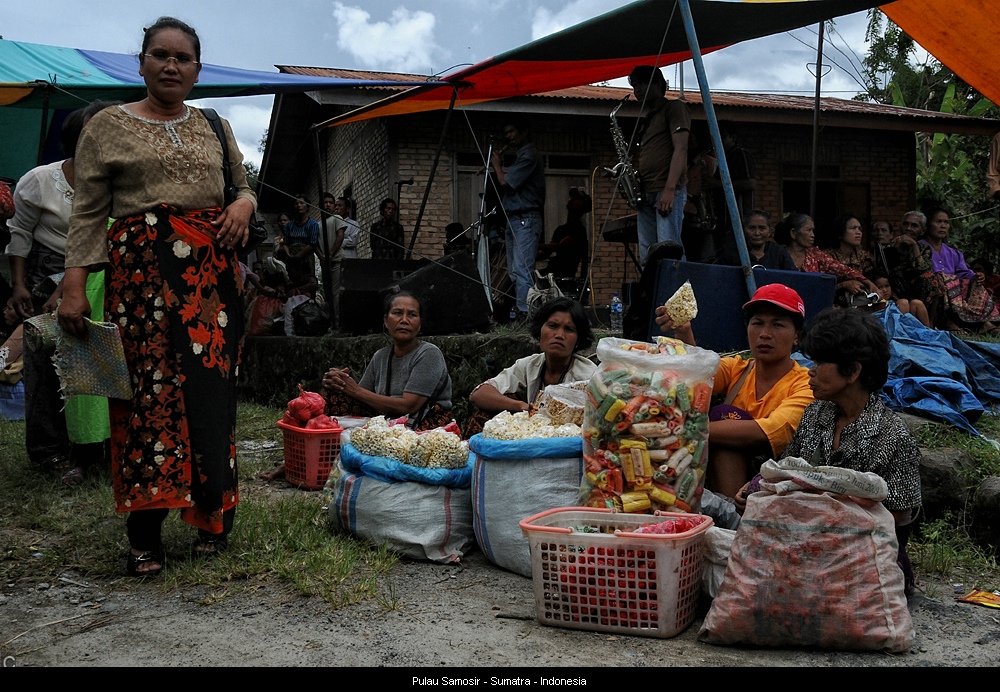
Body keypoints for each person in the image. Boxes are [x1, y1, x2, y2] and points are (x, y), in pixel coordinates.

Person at [58, 17, 257, 576]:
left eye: (183, 58)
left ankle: (212, 518)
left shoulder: (215, 124)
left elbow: (241, 187)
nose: (172, 66)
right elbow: (89, 212)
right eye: (160, 55)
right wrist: (74, 284)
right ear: (141, 62)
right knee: (147, 398)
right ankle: (146, 531)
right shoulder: (106, 127)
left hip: (210, 283)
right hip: (140, 282)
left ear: (197, 68)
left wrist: (243, 205)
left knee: (212, 397)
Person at [754, 308, 922, 593]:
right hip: (804, 537)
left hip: (862, 551)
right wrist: (756, 487)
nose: (811, 370)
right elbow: (787, 470)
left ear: (853, 371)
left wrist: (830, 521)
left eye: (821, 362)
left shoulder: (892, 435)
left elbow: (899, 516)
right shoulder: (815, 415)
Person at [7, 101, 113, 483]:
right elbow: (19, 234)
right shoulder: (40, 180)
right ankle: (49, 450)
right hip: (46, 267)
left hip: (101, 271)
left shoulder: (116, 179)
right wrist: (19, 286)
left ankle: (95, 446)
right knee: (45, 358)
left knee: (94, 358)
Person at [656, 283, 814, 499]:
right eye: (757, 323)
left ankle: (732, 517)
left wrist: (684, 430)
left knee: (725, 440)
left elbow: (768, 431)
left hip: (772, 487)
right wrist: (683, 331)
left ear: (797, 336)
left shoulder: (805, 384)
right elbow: (697, 370)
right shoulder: (738, 369)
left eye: (778, 325)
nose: (765, 334)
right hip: (719, 474)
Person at [468, 297, 595, 434]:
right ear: (540, 331)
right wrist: (519, 406)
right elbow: (479, 394)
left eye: (569, 329)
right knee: (484, 415)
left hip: (572, 442)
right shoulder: (530, 365)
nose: (559, 335)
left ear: (578, 340)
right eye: (552, 326)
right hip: (536, 437)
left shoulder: (589, 376)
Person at [628, 65, 690, 264]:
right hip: (646, 194)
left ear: (657, 84)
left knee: (668, 253)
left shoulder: (674, 108)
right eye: (634, 85)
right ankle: (654, 295)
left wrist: (669, 189)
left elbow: (681, 149)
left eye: (641, 84)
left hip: (666, 191)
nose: (637, 90)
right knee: (648, 256)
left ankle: (678, 294)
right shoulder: (648, 118)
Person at [490, 119, 545, 318]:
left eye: (512, 131)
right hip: (515, 220)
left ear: (524, 132)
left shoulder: (529, 155)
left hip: (525, 219)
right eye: (506, 132)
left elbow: (505, 182)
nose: (508, 137)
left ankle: (526, 314)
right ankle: (521, 311)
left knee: (523, 270)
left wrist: (496, 165)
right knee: (514, 271)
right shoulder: (520, 156)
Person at [920, 207, 1000, 334]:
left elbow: (964, 272)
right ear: (928, 225)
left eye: (946, 222)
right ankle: (948, 322)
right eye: (938, 222)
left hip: (954, 291)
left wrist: (976, 276)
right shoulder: (920, 247)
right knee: (942, 280)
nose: (943, 226)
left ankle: (984, 323)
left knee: (975, 283)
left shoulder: (953, 253)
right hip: (930, 289)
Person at [776, 213, 877, 297]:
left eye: (813, 230)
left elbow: (843, 270)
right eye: (808, 230)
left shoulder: (815, 255)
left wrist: (867, 282)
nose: (812, 235)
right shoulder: (778, 254)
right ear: (793, 233)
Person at [715, 209, 796, 270]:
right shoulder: (732, 252)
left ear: (770, 231)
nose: (757, 233)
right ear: (743, 230)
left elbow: (791, 276)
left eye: (762, 228)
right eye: (752, 228)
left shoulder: (778, 252)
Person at [537, 187, 590, 278]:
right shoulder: (560, 229)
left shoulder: (579, 229)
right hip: (552, 272)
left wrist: (534, 244)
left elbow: (560, 246)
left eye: (576, 198)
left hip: (563, 275)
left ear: (582, 205)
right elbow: (546, 253)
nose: (571, 199)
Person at [275, 194, 318, 294]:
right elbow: (285, 242)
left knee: (311, 283)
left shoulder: (313, 224)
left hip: (306, 261)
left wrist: (298, 256)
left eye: (301, 203)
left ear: (307, 206)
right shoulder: (290, 225)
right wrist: (289, 255)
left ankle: (299, 294)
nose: (298, 205)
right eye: (296, 203)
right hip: (291, 261)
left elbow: (312, 244)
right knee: (291, 282)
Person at [867, 268, 932, 327]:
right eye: (880, 287)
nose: (885, 290)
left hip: (909, 326)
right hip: (891, 328)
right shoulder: (874, 304)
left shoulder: (894, 300)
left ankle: (929, 332)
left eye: (887, 286)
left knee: (916, 303)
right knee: (903, 302)